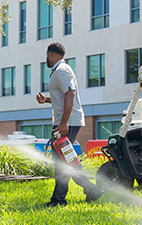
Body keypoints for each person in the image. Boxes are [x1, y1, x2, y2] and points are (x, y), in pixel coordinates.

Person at [36, 42, 103, 207]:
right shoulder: (60, 71)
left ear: (51, 54)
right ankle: (87, 191)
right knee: (65, 160)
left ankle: (60, 200)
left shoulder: (62, 70)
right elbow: (62, 97)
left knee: (62, 161)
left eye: (47, 55)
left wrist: (64, 122)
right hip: (65, 121)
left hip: (66, 122)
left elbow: (69, 95)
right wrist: (46, 100)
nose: (46, 59)